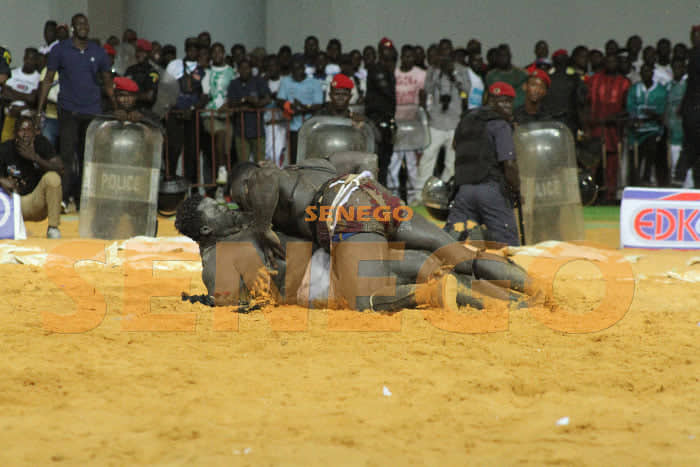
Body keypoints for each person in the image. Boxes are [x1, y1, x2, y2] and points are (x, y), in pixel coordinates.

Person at [214, 159, 531, 311]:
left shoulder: (261, 179)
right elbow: (352, 161)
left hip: (343, 209)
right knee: (455, 253)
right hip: (369, 192)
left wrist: (260, 226)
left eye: (241, 199)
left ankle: (463, 298)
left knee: (363, 299)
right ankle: (531, 290)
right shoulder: (306, 167)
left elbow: (264, 180)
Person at [37, 13, 115, 211]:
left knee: (88, 156)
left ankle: (83, 199)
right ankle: (64, 198)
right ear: (73, 27)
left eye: (85, 23)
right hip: (69, 110)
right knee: (67, 156)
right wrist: (40, 109)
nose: (83, 27)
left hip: (92, 110)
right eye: (79, 24)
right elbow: (48, 80)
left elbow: (108, 82)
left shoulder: (98, 52)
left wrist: (116, 106)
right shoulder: (60, 50)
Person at [446, 82, 522, 246]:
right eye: (503, 101)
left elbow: (455, 145)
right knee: (508, 246)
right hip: (491, 190)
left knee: (449, 244)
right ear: (490, 100)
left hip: (463, 191)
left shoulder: (466, 120)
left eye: (510, 102)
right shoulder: (499, 124)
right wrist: (516, 190)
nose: (508, 107)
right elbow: (509, 164)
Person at [415, 40, 470, 199]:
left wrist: (452, 73)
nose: (445, 53)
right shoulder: (433, 69)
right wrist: (438, 72)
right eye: (442, 50)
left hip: (454, 121)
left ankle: (446, 194)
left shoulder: (461, 69)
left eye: (448, 50)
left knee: (452, 162)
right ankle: (419, 195)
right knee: (428, 157)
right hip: (436, 121)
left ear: (451, 52)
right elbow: (427, 89)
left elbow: (466, 90)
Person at [0, 116, 63, 238]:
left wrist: (35, 158)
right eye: (21, 130)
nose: (25, 134)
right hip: (11, 204)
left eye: (29, 130)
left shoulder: (41, 143)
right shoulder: (5, 148)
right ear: (15, 133)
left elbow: (60, 169)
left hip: (34, 203)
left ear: (35, 133)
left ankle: (53, 228)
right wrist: (1, 180)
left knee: (53, 178)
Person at [586, 54, 630, 201]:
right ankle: (590, 196)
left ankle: (610, 196)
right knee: (592, 164)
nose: (611, 63)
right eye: (608, 60)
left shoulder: (624, 83)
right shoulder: (594, 80)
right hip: (595, 129)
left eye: (614, 61)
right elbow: (585, 103)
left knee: (611, 165)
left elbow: (627, 108)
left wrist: (617, 117)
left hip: (613, 131)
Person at [388, 45, 425, 203]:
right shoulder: (393, 73)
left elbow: (424, 99)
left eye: (411, 57)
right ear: (401, 57)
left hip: (413, 125)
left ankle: (414, 200)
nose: (408, 59)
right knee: (393, 164)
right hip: (396, 125)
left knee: (412, 165)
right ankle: (393, 199)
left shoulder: (421, 74)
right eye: (405, 56)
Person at [164, 37, 205, 183]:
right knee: (173, 149)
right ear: (186, 48)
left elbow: (204, 96)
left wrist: (192, 109)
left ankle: (192, 188)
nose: (192, 50)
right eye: (190, 47)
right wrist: (175, 108)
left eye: (195, 48)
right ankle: (170, 182)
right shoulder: (174, 65)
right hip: (175, 113)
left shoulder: (202, 68)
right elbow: (166, 89)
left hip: (193, 114)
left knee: (192, 153)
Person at [626, 63, 668, 186]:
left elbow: (661, 112)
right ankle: (635, 182)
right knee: (635, 157)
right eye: (643, 72)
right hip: (636, 131)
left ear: (653, 73)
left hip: (653, 129)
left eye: (648, 71)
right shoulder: (634, 89)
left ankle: (647, 178)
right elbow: (631, 108)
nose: (646, 74)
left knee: (651, 150)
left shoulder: (661, 90)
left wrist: (652, 114)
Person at [276, 56, 323, 164]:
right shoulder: (286, 81)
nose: (296, 71)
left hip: (312, 127)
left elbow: (318, 105)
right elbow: (280, 100)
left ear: (303, 68)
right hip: (294, 127)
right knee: (294, 157)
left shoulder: (314, 83)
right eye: (293, 69)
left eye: (299, 68)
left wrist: (302, 108)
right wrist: (290, 106)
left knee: (311, 156)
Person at [201, 42, 235, 185]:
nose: (217, 55)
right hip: (210, 114)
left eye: (219, 52)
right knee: (220, 134)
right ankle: (221, 171)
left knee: (227, 147)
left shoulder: (231, 71)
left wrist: (229, 105)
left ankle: (225, 181)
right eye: (214, 52)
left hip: (226, 115)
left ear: (224, 53)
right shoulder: (206, 72)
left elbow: (235, 93)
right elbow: (204, 94)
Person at [365, 40, 397, 186]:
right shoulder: (376, 68)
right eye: (385, 49)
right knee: (376, 159)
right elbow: (387, 91)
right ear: (380, 51)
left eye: (390, 50)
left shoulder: (389, 70)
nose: (388, 52)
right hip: (375, 121)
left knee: (385, 160)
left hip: (387, 119)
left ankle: (382, 191)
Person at [227, 59, 271, 163]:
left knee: (260, 164)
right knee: (243, 165)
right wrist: (245, 99)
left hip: (258, 130)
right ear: (237, 70)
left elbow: (267, 99)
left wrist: (256, 103)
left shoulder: (259, 81)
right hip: (241, 131)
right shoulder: (234, 83)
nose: (244, 71)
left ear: (251, 69)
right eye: (241, 68)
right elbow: (231, 102)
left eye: (246, 68)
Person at [1, 48, 41, 143]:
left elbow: (33, 99)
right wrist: (26, 96)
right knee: (5, 142)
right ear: (24, 58)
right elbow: (5, 94)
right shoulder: (13, 73)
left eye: (32, 59)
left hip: (27, 118)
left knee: (22, 145)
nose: (29, 61)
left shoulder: (38, 78)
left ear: (36, 61)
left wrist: (14, 94)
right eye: (27, 58)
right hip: (10, 113)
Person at [679, 25, 700, 188]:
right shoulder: (693, 54)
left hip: (692, 106)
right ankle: (681, 177)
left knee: (692, 146)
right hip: (693, 107)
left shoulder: (692, 54)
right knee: (691, 145)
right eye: (694, 34)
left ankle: (683, 177)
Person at [541, 49, 583, 132]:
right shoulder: (547, 77)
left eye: (563, 59)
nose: (561, 62)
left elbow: (580, 101)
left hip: (569, 120)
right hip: (549, 120)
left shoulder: (574, 77)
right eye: (559, 59)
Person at [666, 58, 691, 187]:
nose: (677, 70)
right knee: (675, 166)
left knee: (687, 168)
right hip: (673, 133)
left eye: (680, 67)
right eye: (674, 68)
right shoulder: (669, 86)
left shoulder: (688, 85)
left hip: (687, 133)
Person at [125, 39, 160, 110]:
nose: (139, 54)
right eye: (137, 51)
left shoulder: (152, 72)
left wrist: (131, 96)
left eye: (142, 52)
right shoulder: (130, 69)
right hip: (128, 109)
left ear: (149, 53)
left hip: (143, 111)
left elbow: (149, 96)